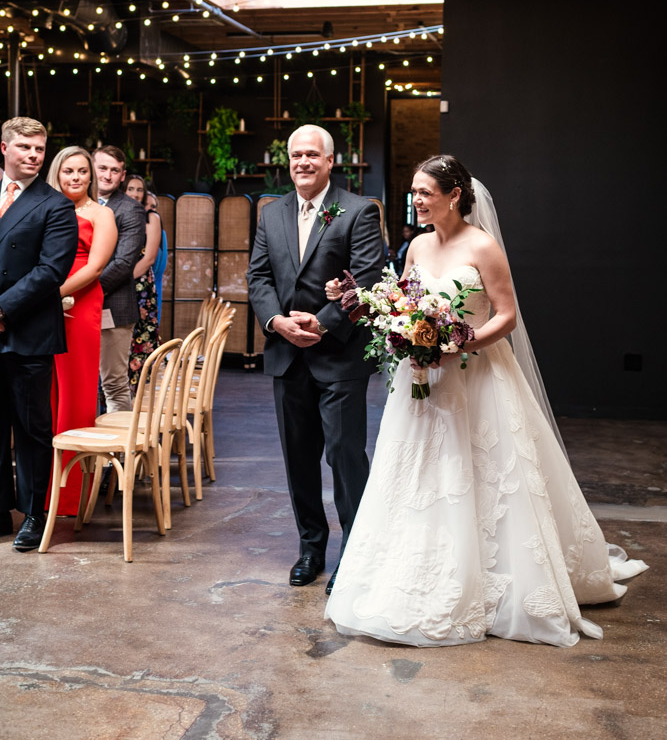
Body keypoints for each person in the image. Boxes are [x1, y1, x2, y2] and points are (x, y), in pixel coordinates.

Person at [325, 155, 648, 647]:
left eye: (424, 192)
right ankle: (411, 576)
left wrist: (458, 342)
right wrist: (382, 317)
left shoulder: (483, 246)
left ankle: (493, 581)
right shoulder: (414, 247)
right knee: (417, 477)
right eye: (413, 192)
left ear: (454, 195)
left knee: (485, 474)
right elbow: (402, 306)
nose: (416, 200)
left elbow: (508, 315)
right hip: (421, 385)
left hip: (476, 379)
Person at [247, 125, 384, 593]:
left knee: (345, 457)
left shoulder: (359, 210)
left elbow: (366, 278)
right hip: (287, 355)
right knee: (298, 459)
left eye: (312, 155)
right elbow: (258, 278)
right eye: (295, 155)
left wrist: (322, 324)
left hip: (339, 357)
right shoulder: (272, 213)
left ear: (330, 161)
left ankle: (354, 554)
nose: (302, 162)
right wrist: (276, 323)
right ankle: (311, 548)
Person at [0, 118, 78, 551]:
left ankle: (37, 514)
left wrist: (0, 309)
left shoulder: (55, 205)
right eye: (24, 147)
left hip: (29, 331)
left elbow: (50, 272)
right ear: (4, 148)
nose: (34, 155)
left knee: (31, 427)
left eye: (39, 148)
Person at [45, 147, 117, 515]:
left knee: (75, 394)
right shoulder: (47, 209)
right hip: (41, 305)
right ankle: (42, 490)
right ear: (57, 174)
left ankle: (71, 495)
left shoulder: (101, 213)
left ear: (91, 176)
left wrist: (49, 295)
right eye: (68, 171)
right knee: (45, 396)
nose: (75, 177)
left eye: (82, 171)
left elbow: (95, 267)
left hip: (80, 302)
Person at [92, 146, 145, 413]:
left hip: (112, 307)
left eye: (114, 170)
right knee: (83, 384)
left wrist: (81, 292)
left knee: (113, 384)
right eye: (102, 168)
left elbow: (124, 264)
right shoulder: (74, 203)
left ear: (122, 176)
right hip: (71, 308)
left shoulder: (130, 209)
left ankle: (118, 452)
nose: (107, 175)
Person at [124, 174, 161, 395]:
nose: (136, 193)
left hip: (140, 288)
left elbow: (148, 258)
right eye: (131, 189)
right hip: (120, 286)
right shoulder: (116, 214)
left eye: (139, 189)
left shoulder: (151, 218)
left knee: (142, 338)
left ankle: (140, 400)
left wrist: (122, 282)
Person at [145, 191, 168, 323]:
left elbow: (158, 269)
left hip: (149, 293)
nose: (148, 208)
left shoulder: (159, 234)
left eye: (153, 206)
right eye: (145, 204)